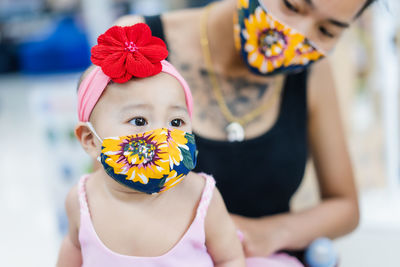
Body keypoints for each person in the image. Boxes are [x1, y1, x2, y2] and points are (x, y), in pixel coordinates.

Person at [115, 0, 377, 263]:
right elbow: (107, 199)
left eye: (327, 31)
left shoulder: (313, 73)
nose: (299, 33)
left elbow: (345, 206)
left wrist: (267, 234)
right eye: (291, 6)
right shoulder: (137, 42)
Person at [56, 23, 246, 267]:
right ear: (90, 139)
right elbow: (72, 248)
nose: (163, 135)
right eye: (139, 120)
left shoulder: (200, 197)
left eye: (176, 121)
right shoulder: (82, 201)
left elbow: (229, 258)